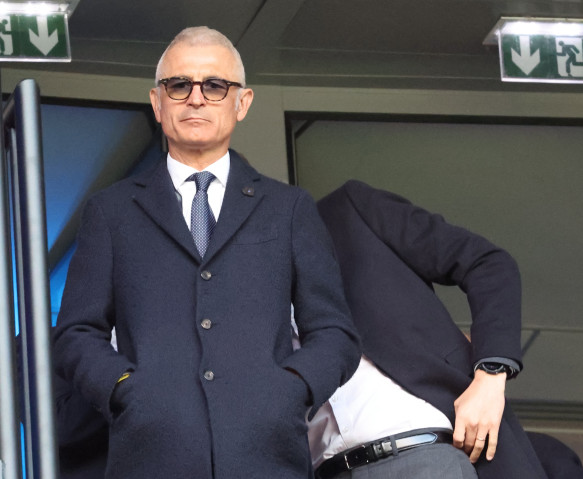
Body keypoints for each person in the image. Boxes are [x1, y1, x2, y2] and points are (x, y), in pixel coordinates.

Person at [52, 26, 360, 479]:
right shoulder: (111, 211)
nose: (196, 98)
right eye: (179, 85)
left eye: (215, 86)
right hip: (151, 455)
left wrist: (290, 389)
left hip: (267, 456)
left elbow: (334, 332)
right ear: (157, 102)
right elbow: (76, 332)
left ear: (242, 102)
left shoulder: (288, 208)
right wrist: (123, 390)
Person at [312, 179, 549, 479]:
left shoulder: (346, 211)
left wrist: (490, 377)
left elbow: (487, 264)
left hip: (427, 454)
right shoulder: (256, 295)